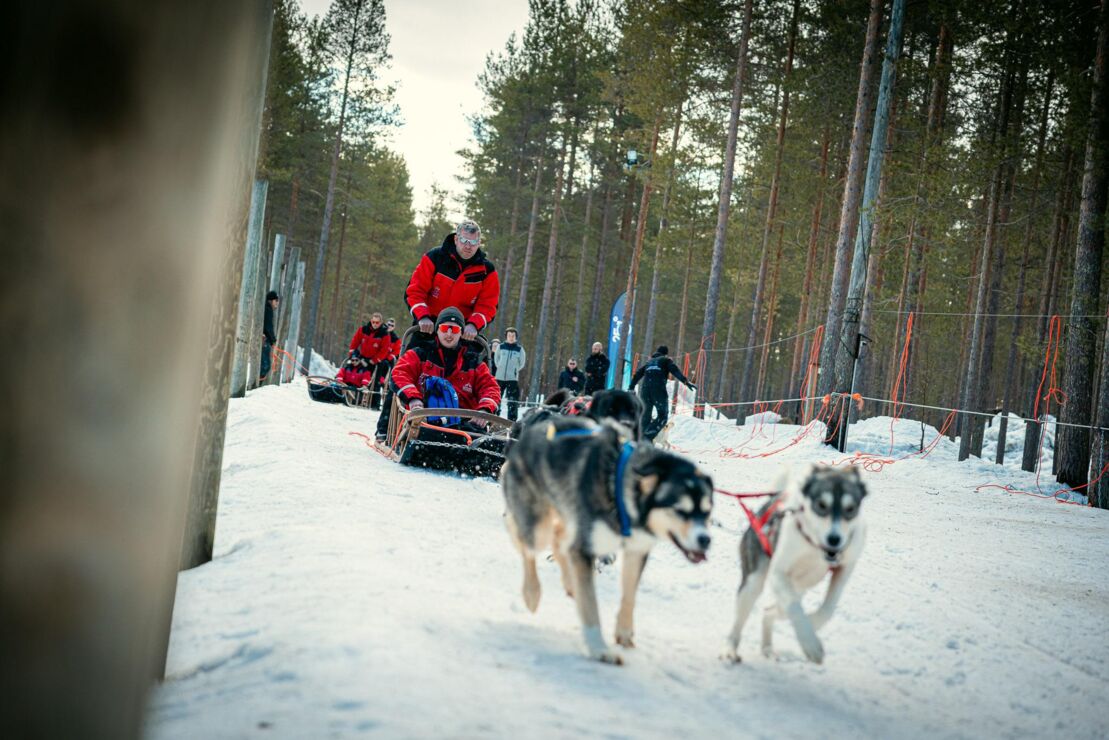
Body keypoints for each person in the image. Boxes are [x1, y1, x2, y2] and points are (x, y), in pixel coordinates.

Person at [386, 307, 500, 435]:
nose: (449, 334)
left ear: (461, 333)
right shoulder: (420, 354)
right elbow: (399, 374)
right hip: (423, 420)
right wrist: (413, 398)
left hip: (465, 426)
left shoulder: (474, 362)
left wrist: (484, 410)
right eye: (445, 328)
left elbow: (491, 388)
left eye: (455, 329)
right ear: (437, 330)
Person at [405, 219, 499, 341]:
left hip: (462, 332)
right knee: (412, 358)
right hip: (429, 326)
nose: (468, 246)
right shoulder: (435, 258)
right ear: (456, 239)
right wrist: (423, 317)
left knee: (476, 359)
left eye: (473, 242)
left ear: (479, 243)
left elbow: (488, 305)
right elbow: (415, 290)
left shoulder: (487, 271)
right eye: (464, 240)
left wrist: (473, 325)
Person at [629, 345, 696, 442]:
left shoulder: (649, 362)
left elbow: (637, 374)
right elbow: (675, 370)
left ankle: (640, 440)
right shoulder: (666, 360)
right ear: (666, 354)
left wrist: (631, 387)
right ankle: (647, 436)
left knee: (645, 416)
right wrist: (685, 381)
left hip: (645, 390)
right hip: (658, 389)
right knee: (663, 415)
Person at [348, 313, 393, 409]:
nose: (375, 324)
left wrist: (375, 360)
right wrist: (352, 354)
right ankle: (356, 399)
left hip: (376, 361)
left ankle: (373, 404)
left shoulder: (384, 334)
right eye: (373, 322)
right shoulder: (363, 329)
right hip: (363, 358)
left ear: (380, 322)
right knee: (358, 376)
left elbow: (384, 349)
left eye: (377, 322)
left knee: (376, 381)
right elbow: (355, 341)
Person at [493, 327, 526, 421]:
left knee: (512, 401)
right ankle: (494, 417)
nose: (511, 337)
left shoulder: (519, 349)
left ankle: (511, 421)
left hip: (512, 379)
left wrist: (515, 370)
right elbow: (496, 359)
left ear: (516, 337)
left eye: (513, 336)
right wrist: (500, 366)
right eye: (509, 335)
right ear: (506, 337)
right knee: (496, 398)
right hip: (499, 377)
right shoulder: (501, 347)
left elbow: (522, 363)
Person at [259, 290, 279, 382]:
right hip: (264, 340)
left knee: (265, 365)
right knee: (265, 365)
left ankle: (258, 383)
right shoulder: (268, 309)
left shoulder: (267, 309)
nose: (277, 303)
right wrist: (273, 339)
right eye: (276, 300)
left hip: (265, 339)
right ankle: (256, 384)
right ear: (271, 300)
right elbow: (268, 326)